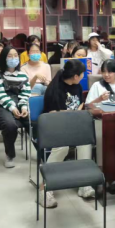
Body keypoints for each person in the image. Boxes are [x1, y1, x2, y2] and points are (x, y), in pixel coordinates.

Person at [40, 59, 86, 208]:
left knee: (85, 143)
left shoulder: (78, 86)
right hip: (54, 125)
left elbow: (80, 104)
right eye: (82, 74)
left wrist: (77, 113)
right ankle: (44, 188)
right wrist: (71, 114)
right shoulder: (55, 89)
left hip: (72, 124)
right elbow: (52, 114)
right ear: (75, 76)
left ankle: (85, 185)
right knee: (63, 147)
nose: (83, 77)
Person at [0, 47, 31, 168]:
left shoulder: (23, 75)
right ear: (3, 58)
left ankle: (43, 152)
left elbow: (25, 93)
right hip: (1, 105)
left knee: (33, 122)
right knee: (10, 125)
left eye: (15, 55)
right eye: (9, 56)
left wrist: (23, 107)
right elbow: (0, 95)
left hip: (19, 103)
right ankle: (10, 155)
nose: (13, 58)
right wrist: (13, 108)